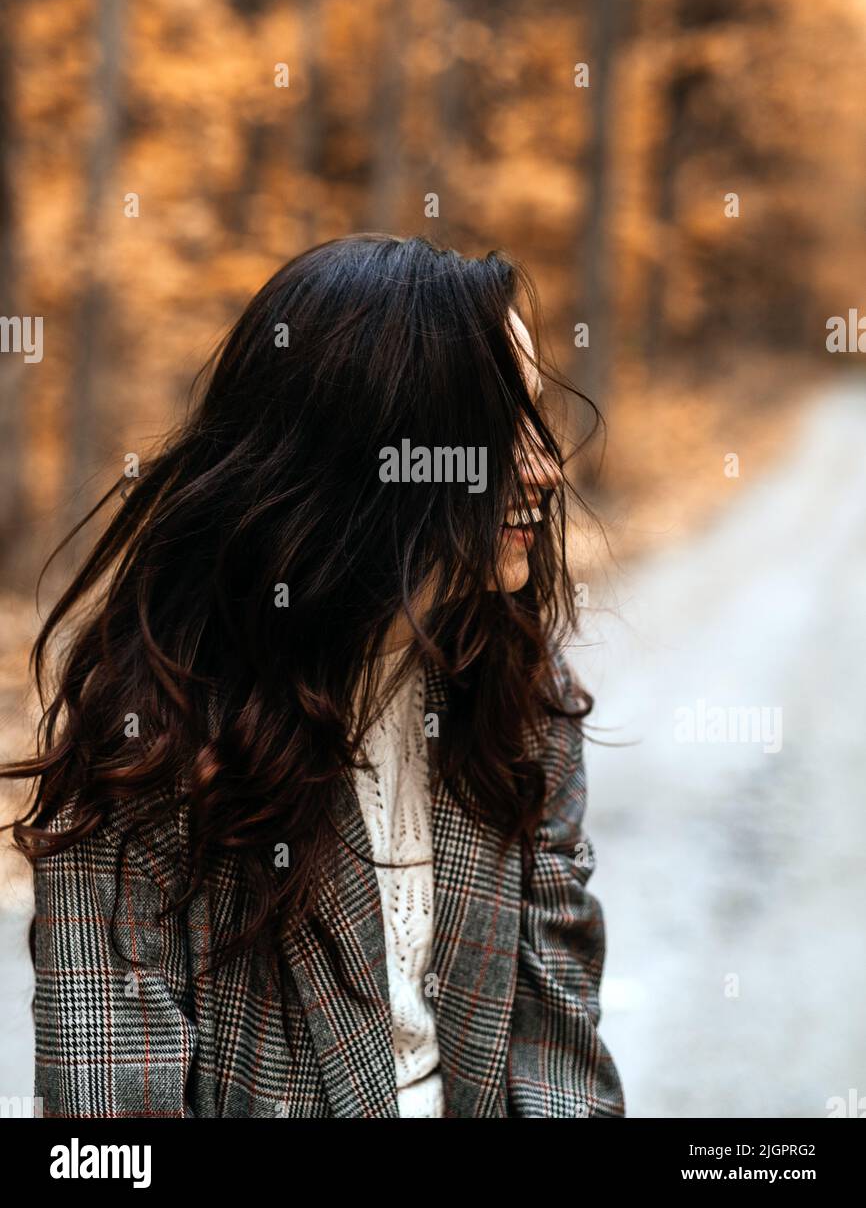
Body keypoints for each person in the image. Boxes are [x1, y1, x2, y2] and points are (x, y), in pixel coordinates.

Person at [2, 232, 626, 1118]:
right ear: (375, 453)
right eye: (496, 432)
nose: (545, 470)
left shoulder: (518, 695)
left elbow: (559, 1052)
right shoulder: (150, 741)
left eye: (537, 426)